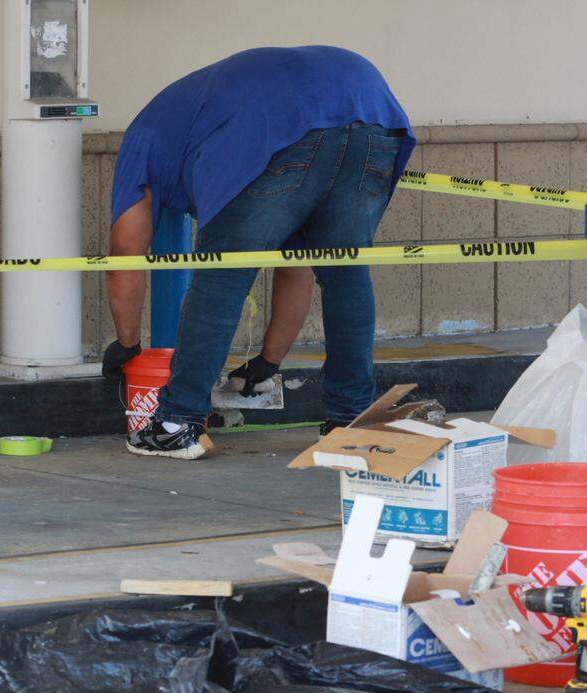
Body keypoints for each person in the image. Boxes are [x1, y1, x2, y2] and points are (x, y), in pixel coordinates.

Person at [101, 46, 415, 459]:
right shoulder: (203, 111)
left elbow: (125, 251)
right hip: (371, 104)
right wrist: (268, 362)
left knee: (221, 275)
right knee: (345, 272)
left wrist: (126, 345)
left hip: (279, 122)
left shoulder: (144, 137)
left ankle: (178, 423)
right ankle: (349, 420)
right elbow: (295, 265)